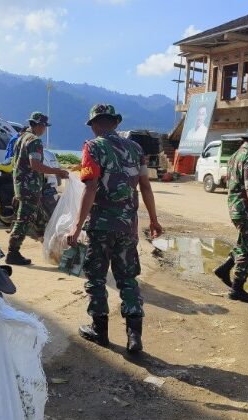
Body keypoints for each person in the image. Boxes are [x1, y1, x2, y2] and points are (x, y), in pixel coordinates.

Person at [68, 104, 163, 353]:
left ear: (95, 124)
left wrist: (77, 227)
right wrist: (153, 220)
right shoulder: (136, 148)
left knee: (97, 278)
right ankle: (134, 337)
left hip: (101, 227)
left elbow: (90, 188)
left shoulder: (93, 147)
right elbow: (145, 186)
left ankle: (100, 332)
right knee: (128, 279)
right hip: (128, 227)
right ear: (116, 123)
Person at [213, 127, 248, 304]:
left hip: (237, 208)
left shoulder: (235, 156)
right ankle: (237, 289)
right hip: (247, 210)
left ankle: (225, 268)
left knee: (243, 243)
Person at [7, 111, 68, 266]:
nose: (44, 130)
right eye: (44, 126)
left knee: (41, 220)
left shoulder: (21, 138)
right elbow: (35, 165)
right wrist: (58, 171)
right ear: (40, 126)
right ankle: (12, 252)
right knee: (24, 220)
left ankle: (51, 250)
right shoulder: (34, 141)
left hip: (23, 185)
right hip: (29, 188)